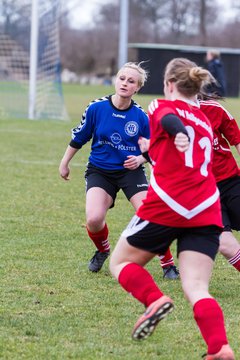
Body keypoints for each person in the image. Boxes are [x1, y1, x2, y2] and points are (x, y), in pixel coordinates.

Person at [109, 58, 235, 359]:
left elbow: (168, 118)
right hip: (206, 209)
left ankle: (153, 300)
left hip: (169, 205)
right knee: (196, 286)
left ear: (168, 85)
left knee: (121, 263)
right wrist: (150, 148)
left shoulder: (161, 106)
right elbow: (174, 150)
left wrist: (177, 132)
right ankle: (220, 348)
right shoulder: (206, 120)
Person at [59, 61, 178, 278]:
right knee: (94, 219)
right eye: (122, 78)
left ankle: (168, 264)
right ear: (116, 80)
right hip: (100, 171)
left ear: (137, 88)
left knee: (150, 214)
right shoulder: (96, 108)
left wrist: (141, 159)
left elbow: (156, 147)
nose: (125, 83)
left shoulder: (142, 117)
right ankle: (103, 250)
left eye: (131, 81)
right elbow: (80, 136)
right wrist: (64, 163)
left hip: (130, 171)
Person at [199, 94, 240, 272]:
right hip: (202, 193)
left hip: (230, 182)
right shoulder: (168, 115)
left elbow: (237, 140)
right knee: (224, 244)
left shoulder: (213, 109)